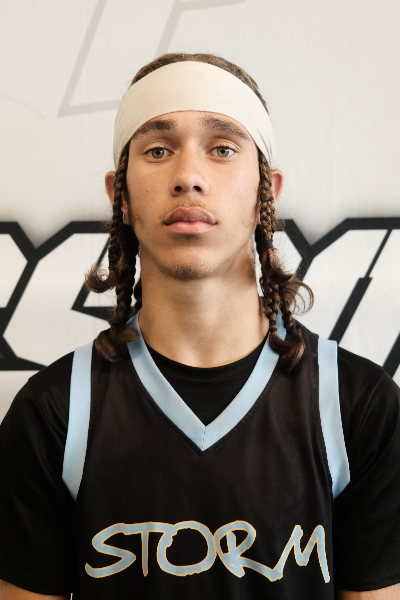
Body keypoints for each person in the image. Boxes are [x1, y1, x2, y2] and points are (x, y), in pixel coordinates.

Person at [0, 53, 400, 600]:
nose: (188, 176)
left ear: (266, 191)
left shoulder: (358, 406)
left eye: (223, 149)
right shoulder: (54, 414)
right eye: (158, 150)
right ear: (120, 194)